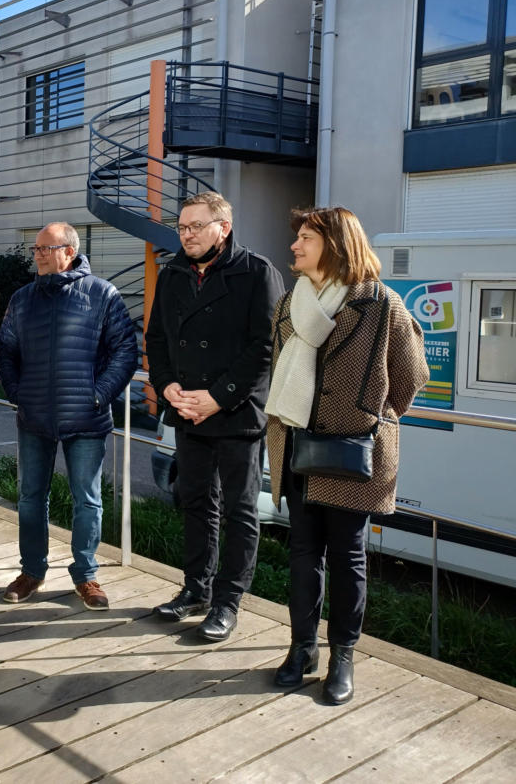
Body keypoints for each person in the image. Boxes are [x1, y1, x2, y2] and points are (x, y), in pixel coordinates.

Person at [266, 206, 427, 705]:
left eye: (306, 238)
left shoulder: (381, 303)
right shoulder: (290, 303)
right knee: (302, 554)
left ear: (335, 245)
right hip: (297, 445)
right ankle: (301, 649)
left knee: (347, 557)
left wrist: (364, 413)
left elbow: (411, 377)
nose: (294, 246)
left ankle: (343, 656)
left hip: (352, 451)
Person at [145, 191, 284, 641]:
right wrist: (167, 386)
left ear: (223, 227)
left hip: (236, 412)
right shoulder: (173, 273)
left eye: (195, 227)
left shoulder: (257, 272)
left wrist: (218, 397)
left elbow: (265, 347)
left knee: (240, 510)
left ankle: (228, 602)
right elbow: (157, 338)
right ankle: (196, 589)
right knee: (195, 502)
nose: (186, 235)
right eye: (182, 227)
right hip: (188, 409)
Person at [0, 222, 139, 610]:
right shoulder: (23, 299)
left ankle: (86, 575)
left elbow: (126, 351)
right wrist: (18, 394)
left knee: (87, 500)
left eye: (46, 248)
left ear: (70, 252)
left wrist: (98, 395)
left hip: (87, 418)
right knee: (30, 498)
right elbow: (6, 351)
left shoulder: (102, 293)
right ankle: (32, 571)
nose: (38, 254)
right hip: (34, 417)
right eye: (36, 249)